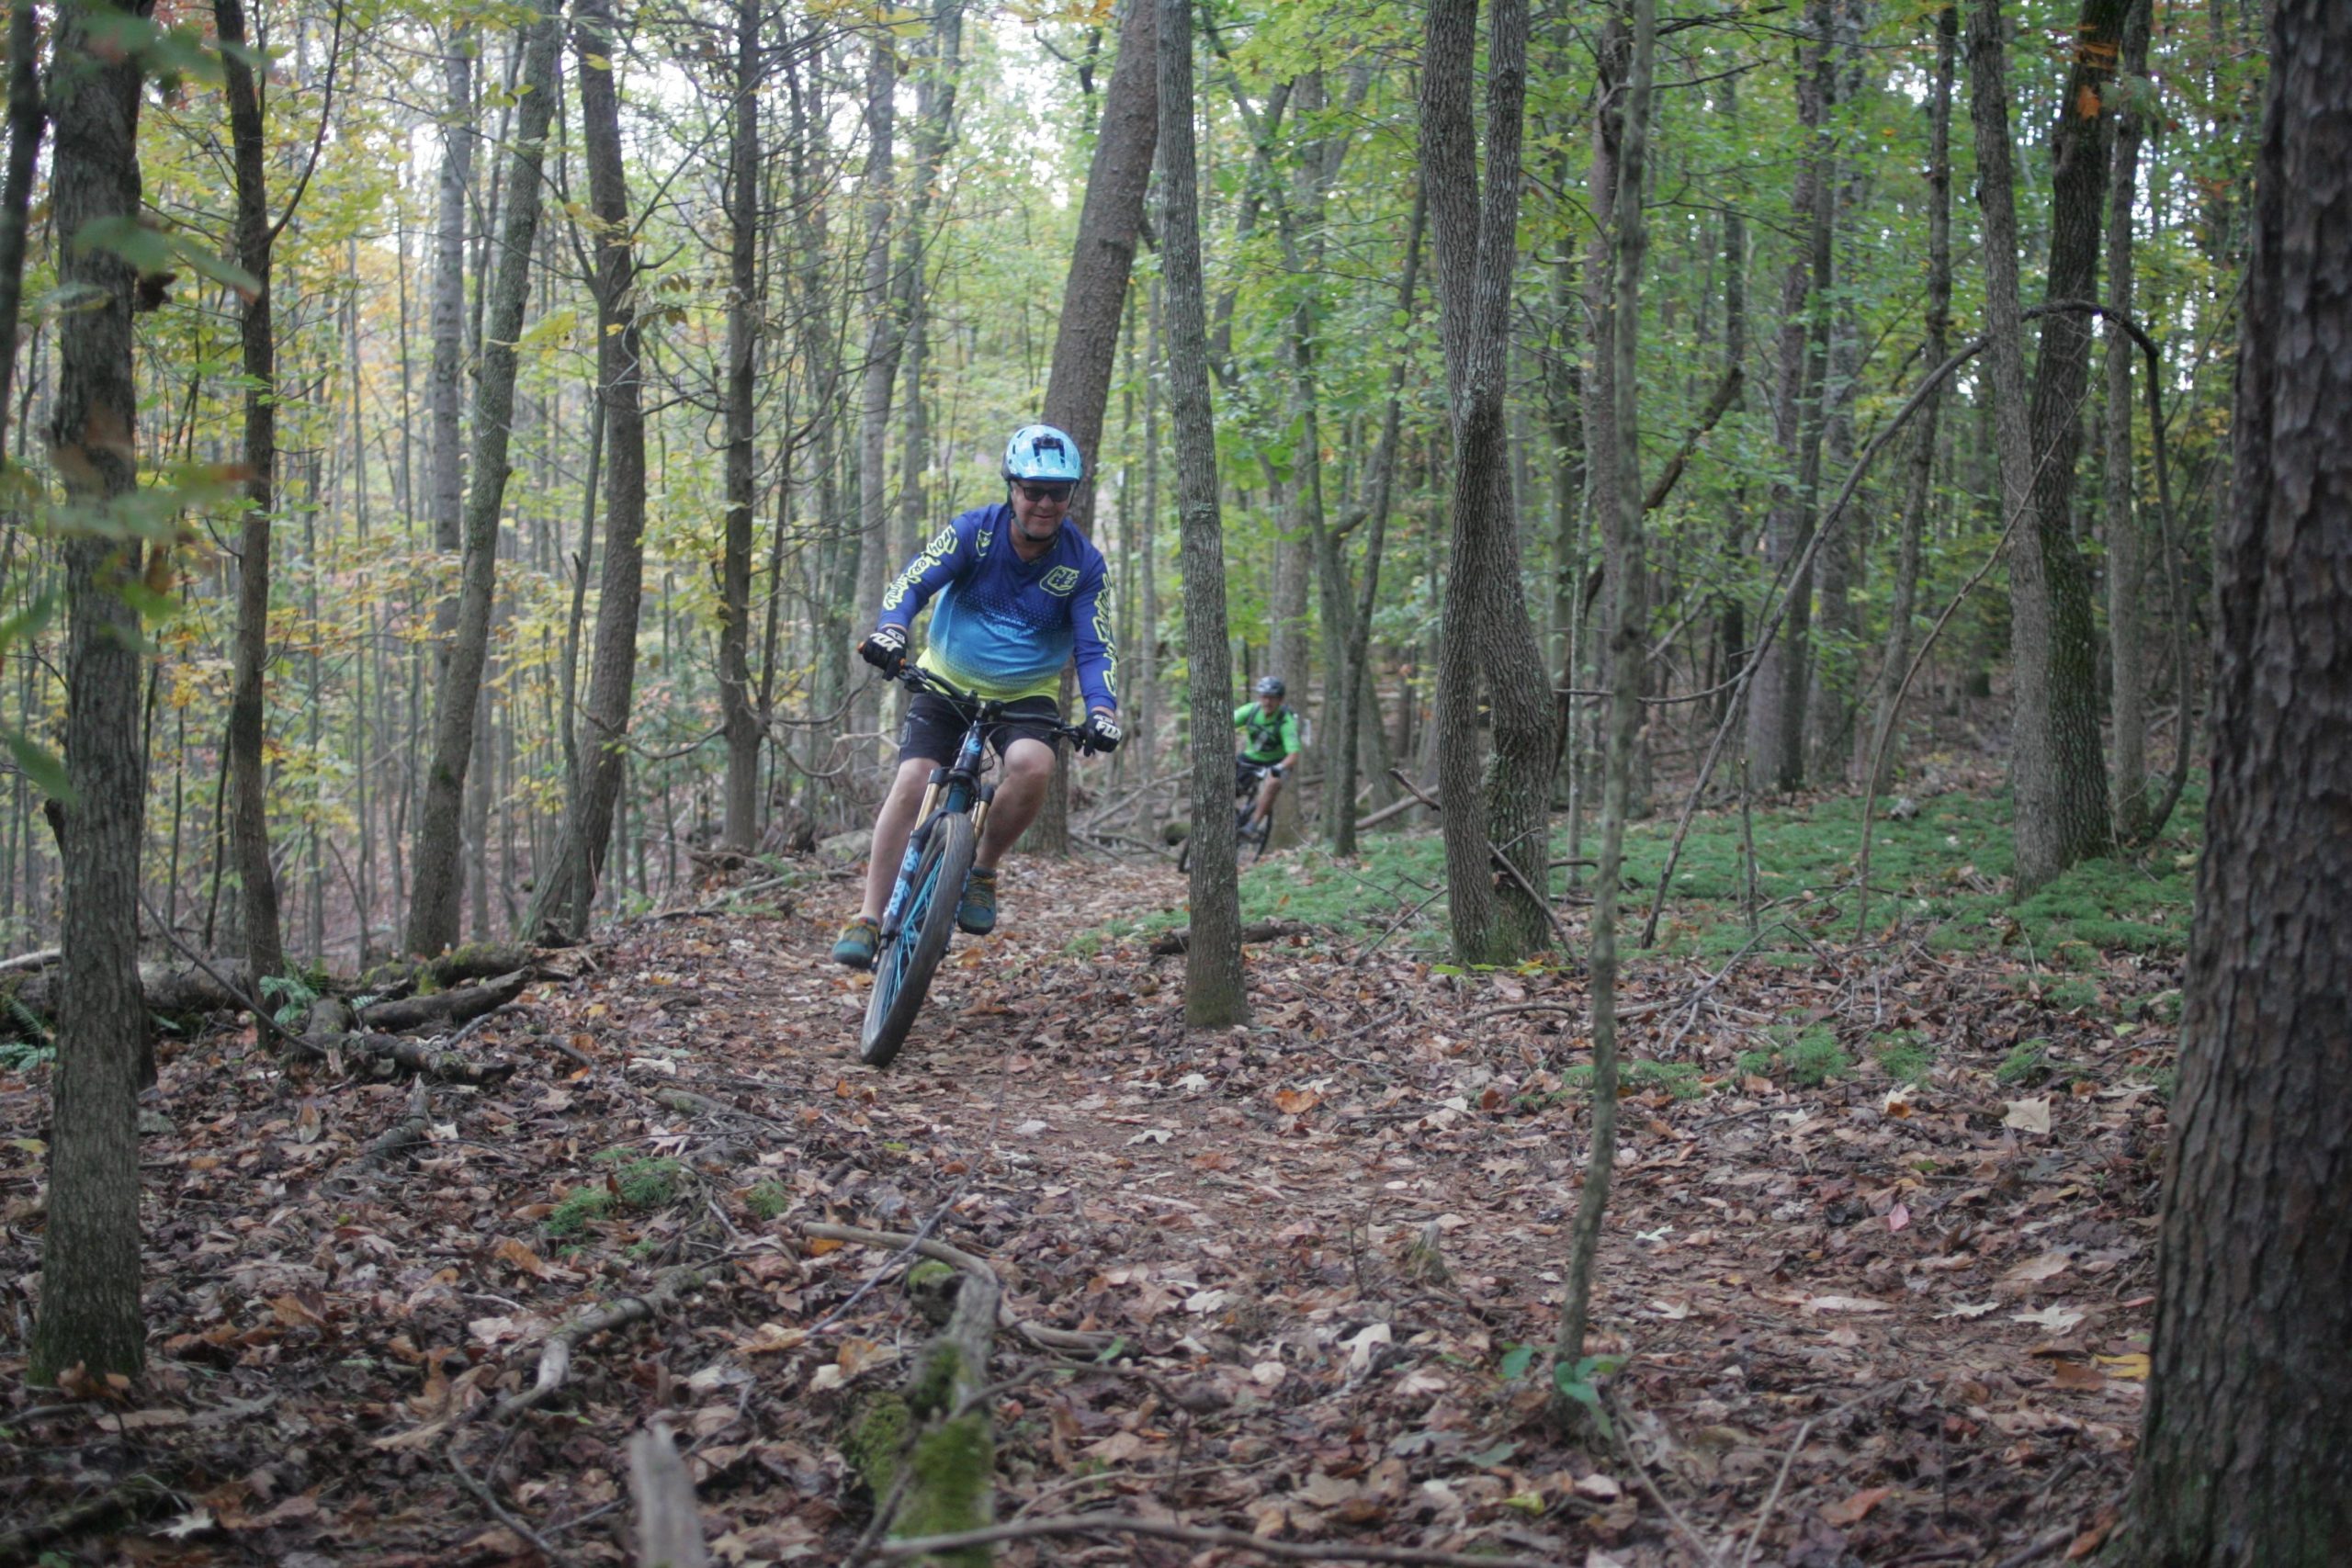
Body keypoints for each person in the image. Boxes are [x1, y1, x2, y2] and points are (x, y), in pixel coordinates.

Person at [832, 423, 1122, 968]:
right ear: (1012, 488)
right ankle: (869, 916)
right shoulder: (976, 532)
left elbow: (1094, 647)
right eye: (1032, 489)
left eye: (1057, 492)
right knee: (915, 779)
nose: (1043, 502)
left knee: (1033, 764)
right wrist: (892, 629)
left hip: (1025, 693)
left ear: (1071, 496)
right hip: (946, 680)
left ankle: (983, 868)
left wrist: (1102, 710)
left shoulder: (1084, 565)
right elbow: (914, 581)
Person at [1232, 675, 1302, 837]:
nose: (1267, 702)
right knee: (1229, 786)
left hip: (1278, 761)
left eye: (1272, 698)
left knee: (1273, 783)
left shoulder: (1285, 721)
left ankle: (1253, 824)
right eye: (1264, 697)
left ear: (1280, 700)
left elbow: (1293, 754)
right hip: (1251, 757)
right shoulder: (1251, 710)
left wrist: (1280, 767)